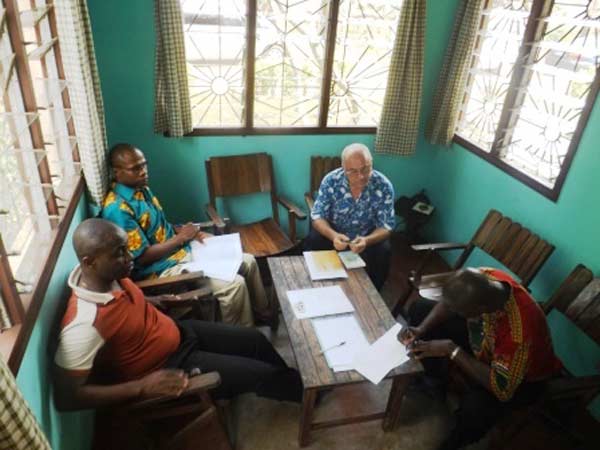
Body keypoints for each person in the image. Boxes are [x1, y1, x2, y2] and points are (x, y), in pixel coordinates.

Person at [53, 218, 303, 416]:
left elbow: (122, 308)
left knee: (254, 339)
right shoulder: (83, 324)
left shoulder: (104, 274)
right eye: (119, 253)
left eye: (126, 249)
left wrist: (150, 300)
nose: (129, 258)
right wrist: (142, 386)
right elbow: (67, 398)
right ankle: (307, 393)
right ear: (89, 262)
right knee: (261, 375)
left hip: (179, 331)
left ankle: (294, 382)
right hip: (171, 363)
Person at [101, 143, 274, 327]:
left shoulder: (141, 190)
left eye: (144, 165)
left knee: (248, 261)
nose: (143, 172)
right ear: (116, 172)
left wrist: (191, 233)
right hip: (161, 270)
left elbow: (160, 227)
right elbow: (142, 257)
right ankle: (242, 335)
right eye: (135, 169)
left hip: (181, 251)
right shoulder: (118, 210)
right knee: (234, 285)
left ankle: (261, 314)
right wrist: (181, 238)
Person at [398, 268, 563, 450]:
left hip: (522, 381)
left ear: (481, 309)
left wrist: (452, 350)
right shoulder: (486, 277)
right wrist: (421, 329)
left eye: (459, 311)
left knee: (477, 407)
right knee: (421, 308)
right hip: (488, 343)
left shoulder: (521, 334)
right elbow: (448, 303)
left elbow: (501, 389)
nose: (452, 310)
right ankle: (434, 381)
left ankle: (455, 442)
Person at [304, 143, 394, 290]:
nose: (361, 176)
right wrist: (333, 235)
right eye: (353, 171)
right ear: (343, 168)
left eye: (365, 169)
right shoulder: (331, 180)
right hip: (335, 232)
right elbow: (318, 216)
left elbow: (386, 226)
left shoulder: (383, 185)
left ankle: (374, 293)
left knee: (384, 250)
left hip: (366, 235)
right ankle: (317, 287)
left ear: (371, 163)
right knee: (314, 239)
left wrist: (366, 240)